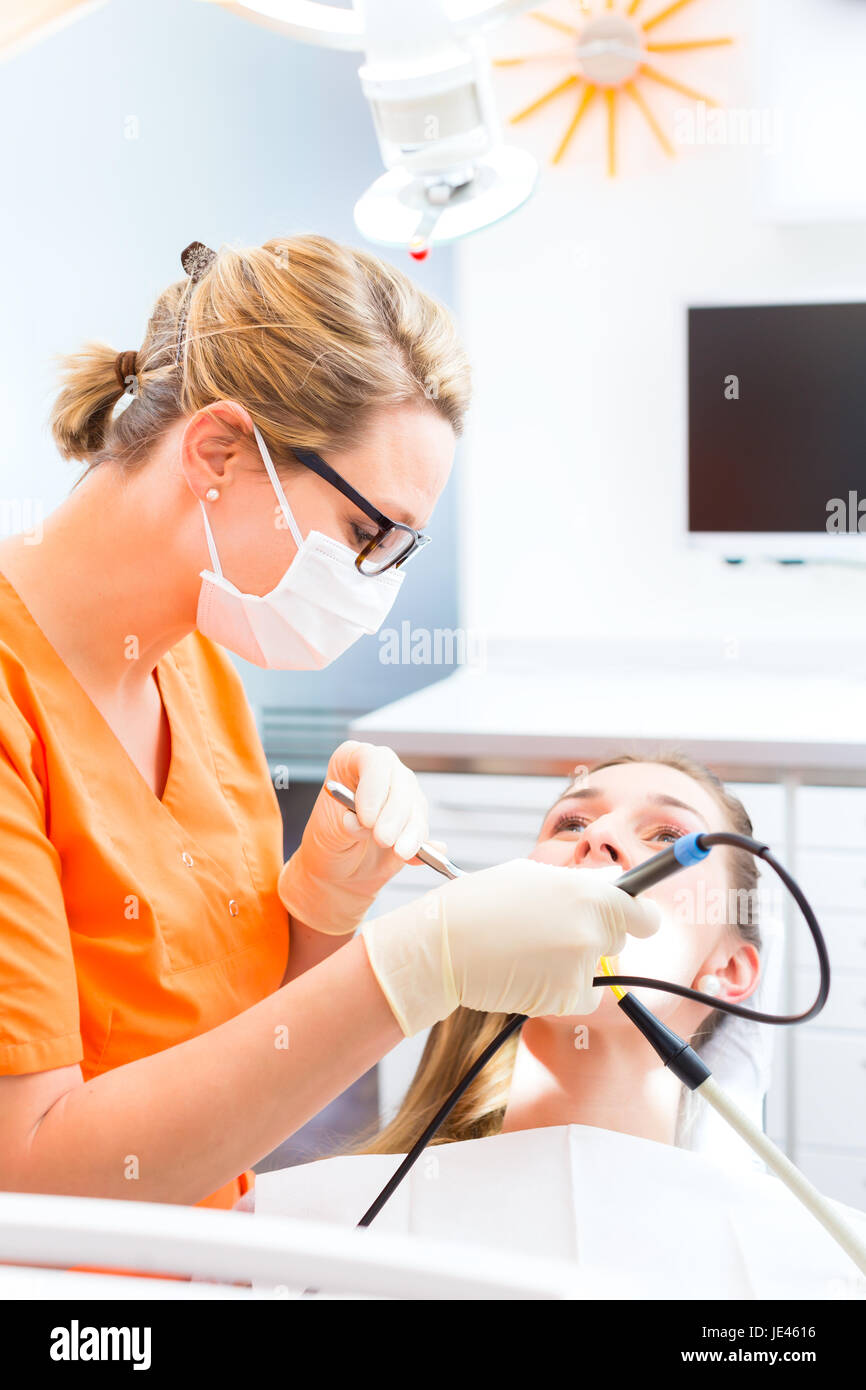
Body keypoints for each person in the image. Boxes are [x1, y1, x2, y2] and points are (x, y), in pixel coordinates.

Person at [0, 235, 660, 1227]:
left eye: (399, 548)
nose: (376, 586)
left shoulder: (194, 662)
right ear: (218, 452)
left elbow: (238, 1056)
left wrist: (325, 900)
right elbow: (32, 1176)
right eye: (365, 534)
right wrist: (414, 965)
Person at [351, 752, 762, 1156]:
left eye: (668, 837)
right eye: (571, 823)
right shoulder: (347, 1213)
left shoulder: (763, 1223)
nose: (598, 835)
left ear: (728, 970)